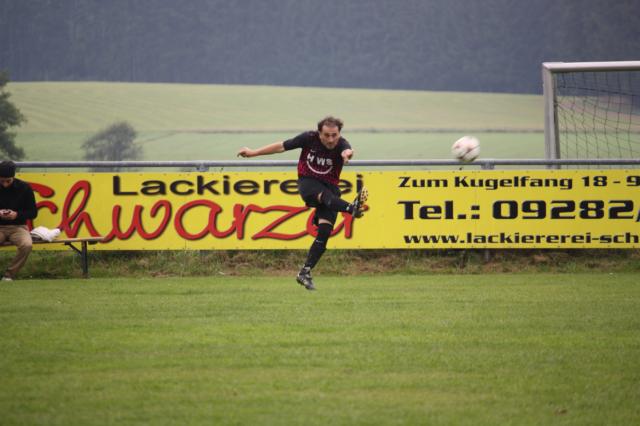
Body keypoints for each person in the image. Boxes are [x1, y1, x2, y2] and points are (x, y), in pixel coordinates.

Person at [237, 116, 368, 291]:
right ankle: (351, 208)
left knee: (324, 233)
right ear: (319, 133)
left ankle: (305, 272)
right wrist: (253, 152)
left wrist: (348, 154)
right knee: (326, 197)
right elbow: (281, 146)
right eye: (326, 135)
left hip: (331, 190)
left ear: (339, 134)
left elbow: (347, 151)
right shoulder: (308, 138)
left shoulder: (342, 144)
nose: (331, 139)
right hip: (308, 183)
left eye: (334, 135)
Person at [0, 160, 37, 281]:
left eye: (8, 181)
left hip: (18, 227)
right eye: (2, 181)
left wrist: (17, 215)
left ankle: (9, 274)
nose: (5, 184)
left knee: (27, 245)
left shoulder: (24, 187)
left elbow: (33, 213)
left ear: (13, 177)